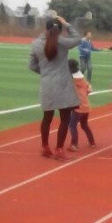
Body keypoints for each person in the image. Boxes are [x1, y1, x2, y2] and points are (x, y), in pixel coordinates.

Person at [29, 16, 80, 160]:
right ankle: (59, 149)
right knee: (65, 119)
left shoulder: (36, 44)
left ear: (46, 28)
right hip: (63, 84)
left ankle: (45, 147)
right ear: (60, 30)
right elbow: (77, 38)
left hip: (47, 85)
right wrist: (66, 23)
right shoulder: (62, 42)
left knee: (47, 118)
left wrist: (45, 73)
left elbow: (31, 65)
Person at [67, 59, 96, 150]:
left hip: (78, 106)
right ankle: (92, 142)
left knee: (72, 125)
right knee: (84, 125)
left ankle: (74, 144)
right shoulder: (82, 78)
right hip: (86, 105)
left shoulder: (72, 79)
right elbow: (89, 89)